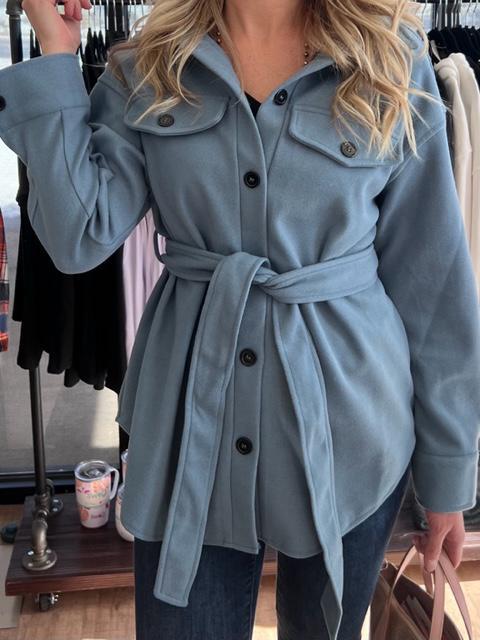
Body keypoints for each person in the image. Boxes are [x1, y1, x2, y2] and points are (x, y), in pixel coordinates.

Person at [0, 0, 479, 638]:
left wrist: (447, 476)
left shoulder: (390, 55)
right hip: (189, 431)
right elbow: (77, 235)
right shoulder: (152, 63)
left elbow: (433, 283)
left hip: (353, 434)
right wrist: (57, 50)